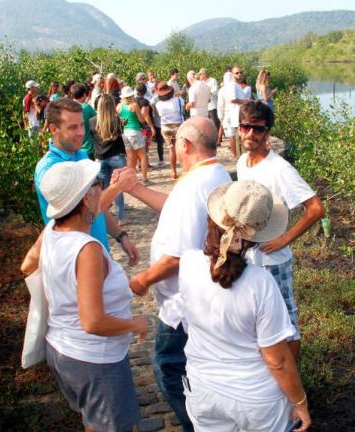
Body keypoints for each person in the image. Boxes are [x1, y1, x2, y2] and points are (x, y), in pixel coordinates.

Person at [113, 116, 231, 432]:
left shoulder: (193, 186)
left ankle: (198, 425)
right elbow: (177, 208)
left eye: (176, 141)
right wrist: (135, 188)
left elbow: (176, 257)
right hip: (206, 295)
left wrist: (143, 279)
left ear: (186, 145)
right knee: (197, 366)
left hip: (183, 304)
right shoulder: (215, 173)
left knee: (168, 368)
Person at [20, 160, 148, 432]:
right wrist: (134, 324)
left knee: (92, 423)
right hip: (94, 362)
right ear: (87, 198)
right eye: (99, 186)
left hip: (62, 349)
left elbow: (27, 266)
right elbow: (92, 322)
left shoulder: (52, 230)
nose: (102, 191)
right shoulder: (86, 249)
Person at [179, 180, 311, 432]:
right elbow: (277, 360)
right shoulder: (261, 284)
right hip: (257, 402)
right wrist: (300, 402)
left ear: (212, 221)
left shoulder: (187, 265)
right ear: (254, 238)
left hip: (204, 391)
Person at [236, 100, 325, 359]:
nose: (250, 133)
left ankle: (293, 384)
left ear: (267, 132)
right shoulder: (243, 163)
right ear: (239, 128)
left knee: (286, 321)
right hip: (249, 256)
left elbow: (316, 208)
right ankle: (270, 372)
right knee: (258, 319)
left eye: (258, 129)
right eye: (245, 127)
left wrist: (285, 239)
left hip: (274, 260)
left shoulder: (280, 169)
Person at [34, 97, 139, 264]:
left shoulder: (81, 155)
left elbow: (97, 204)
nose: (81, 132)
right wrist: (116, 187)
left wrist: (121, 236)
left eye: (82, 125)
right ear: (53, 129)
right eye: (72, 127)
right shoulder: (49, 169)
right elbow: (82, 214)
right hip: (75, 262)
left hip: (98, 255)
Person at [93, 94, 127, 226]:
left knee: (104, 190)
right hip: (116, 156)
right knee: (117, 188)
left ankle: (103, 217)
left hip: (100, 158)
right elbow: (120, 133)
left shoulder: (92, 122)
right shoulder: (117, 121)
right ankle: (121, 218)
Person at [153, 81, 185, 179]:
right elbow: (182, 111)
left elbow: (158, 113)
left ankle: (173, 171)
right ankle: (185, 169)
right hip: (178, 125)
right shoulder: (178, 100)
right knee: (181, 148)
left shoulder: (158, 104)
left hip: (165, 127)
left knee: (171, 149)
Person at [118, 86, 149, 184]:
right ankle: (144, 178)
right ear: (131, 95)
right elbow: (141, 120)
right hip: (135, 131)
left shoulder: (119, 106)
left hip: (125, 133)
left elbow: (119, 119)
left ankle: (131, 179)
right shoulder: (134, 105)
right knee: (143, 156)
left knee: (130, 157)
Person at [216, 68, 246, 158]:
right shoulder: (233, 86)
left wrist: (220, 116)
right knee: (234, 135)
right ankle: (237, 155)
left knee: (232, 135)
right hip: (232, 113)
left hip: (229, 114)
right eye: (237, 73)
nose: (239, 74)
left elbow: (220, 105)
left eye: (241, 72)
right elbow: (231, 100)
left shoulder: (223, 89)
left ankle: (235, 155)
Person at [71, 83, 96, 160]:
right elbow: (97, 122)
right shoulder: (87, 108)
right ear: (84, 94)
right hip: (88, 148)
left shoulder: (67, 108)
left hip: (73, 149)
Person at [135, 83, 157, 171]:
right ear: (145, 91)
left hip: (136, 126)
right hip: (144, 127)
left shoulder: (134, 101)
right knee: (145, 147)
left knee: (138, 147)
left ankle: (139, 164)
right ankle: (145, 164)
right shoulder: (144, 102)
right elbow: (145, 115)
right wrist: (152, 127)